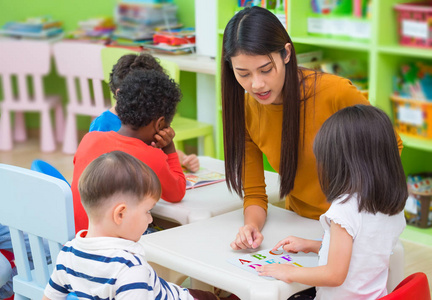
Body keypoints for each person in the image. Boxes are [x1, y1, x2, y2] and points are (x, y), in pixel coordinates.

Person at [221, 6, 403, 250]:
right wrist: (251, 225)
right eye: (243, 74)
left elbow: (391, 145)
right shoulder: (245, 109)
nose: (257, 84)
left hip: (350, 227)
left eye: (265, 69)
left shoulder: (334, 92)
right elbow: (254, 193)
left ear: (286, 53)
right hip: (298, 222)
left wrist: (350, 210)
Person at [256, 105, 408, 299]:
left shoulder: (345, 209)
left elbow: (334, 275)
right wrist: (312, 245)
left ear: (341, 163)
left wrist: (288, 271)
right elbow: (363, 252)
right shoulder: (392, 206)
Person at [43, 151, 221, 300]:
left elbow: (49, 297)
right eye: (148, 211)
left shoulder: (67, 253)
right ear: (120, 214)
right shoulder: (130, 267)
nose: (150, 220)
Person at [71, 69, 186, 233]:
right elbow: (177, 193)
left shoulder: (89, 139)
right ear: (160, 124)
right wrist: (169, 148)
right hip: (114, 248)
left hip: (80, 238)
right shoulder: (151, 157)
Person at [89, 52, 199, 172]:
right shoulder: (101, 126)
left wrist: (183, 158)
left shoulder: (148, 118)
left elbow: (156, 149)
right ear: (121, 94)